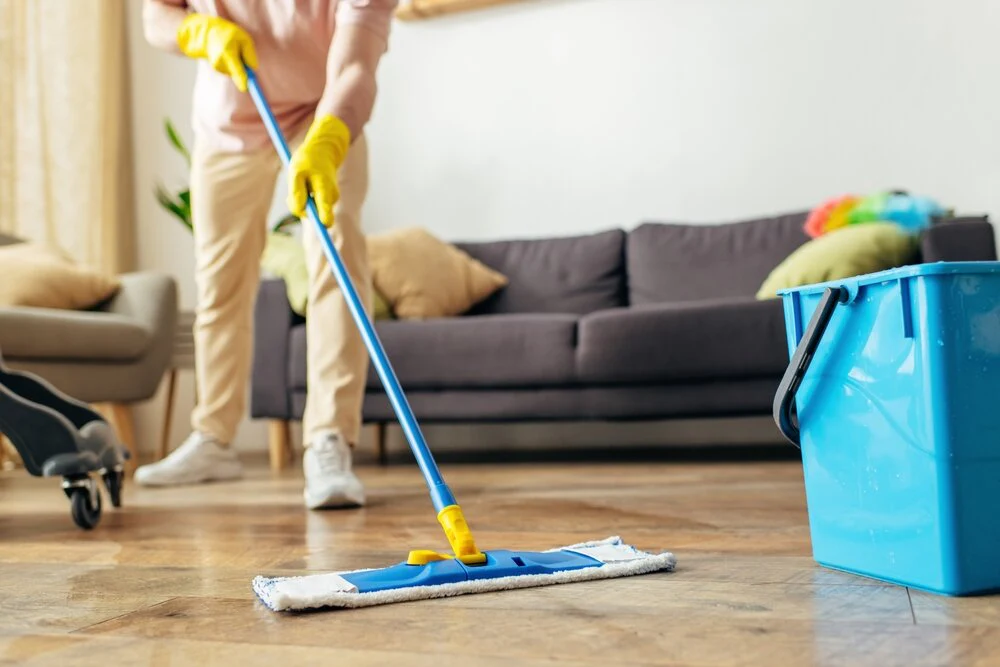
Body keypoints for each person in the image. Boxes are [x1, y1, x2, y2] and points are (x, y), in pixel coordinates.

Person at [135, 0, 398, 510]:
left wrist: (330, 139)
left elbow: (356, 69)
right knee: (220, 282)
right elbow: (156, 17)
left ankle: (329, 440)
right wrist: (196, 32)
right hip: (227, 125)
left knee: (335, 259)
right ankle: (214, 438)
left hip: (321, 116)